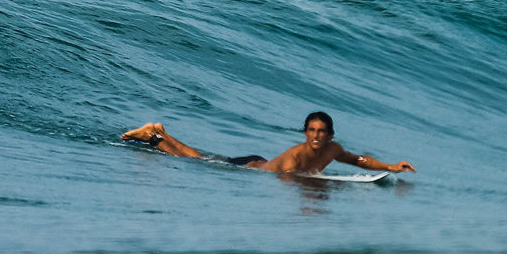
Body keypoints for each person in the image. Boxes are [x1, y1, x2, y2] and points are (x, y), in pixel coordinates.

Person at [120, 111, 414, 175]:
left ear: (330, 135)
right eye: (311, 130)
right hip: (249, 168)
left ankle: (160, 133)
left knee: (199, 157)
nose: (316, 135)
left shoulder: (334, 150)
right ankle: (155, 138)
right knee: (195, 160)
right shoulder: (297, 156)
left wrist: (391, 166)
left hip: (257, 160)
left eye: (321, 131)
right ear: (304, 133)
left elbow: (358, 160)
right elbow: (292, 183)